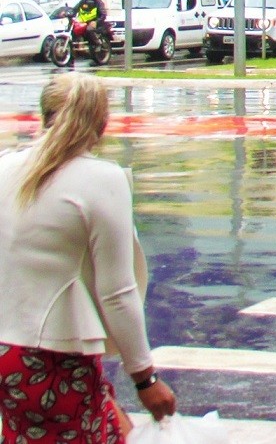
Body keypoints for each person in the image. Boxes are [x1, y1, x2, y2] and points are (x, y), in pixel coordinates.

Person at [0, 74, 178, 443]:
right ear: (101, 123)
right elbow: (117, 292)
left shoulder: (5, 168)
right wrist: (146, 379)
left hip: (7, 355)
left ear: (44, 115)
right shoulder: (102, 179)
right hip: (55, 357)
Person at [68, 0, 109, 68]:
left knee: (89, 30)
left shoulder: (98, 2)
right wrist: (68, 13)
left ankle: (97, 44)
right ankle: (70, 59)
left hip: (95, 23)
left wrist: (96, 22)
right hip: (83, 23)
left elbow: (103, 14)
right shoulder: (82, 2)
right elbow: (74, 10)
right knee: (72, 33)